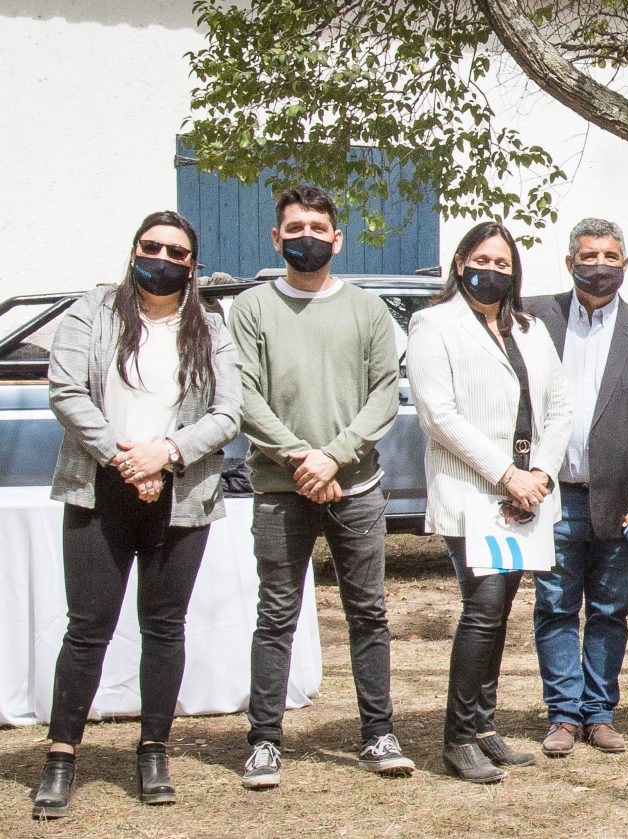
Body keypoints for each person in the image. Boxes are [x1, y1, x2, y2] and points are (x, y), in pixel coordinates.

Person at [34, 211, 242, 820]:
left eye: (176, 252)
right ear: (133, 252)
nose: (162, 258)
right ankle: (61, 756)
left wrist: (166, 454)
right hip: (99, 489)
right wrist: (127, 459)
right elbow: (65, 391)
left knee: (165, 626)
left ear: (192, 265)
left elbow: (228, 412)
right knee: (87, 628)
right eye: (152, 247)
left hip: (180, 493)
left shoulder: (211, 326)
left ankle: (154, 750)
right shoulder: (91, 312)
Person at [231, 185, 410, 789]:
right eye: (294, 228)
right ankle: (263, 741)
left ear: (337, 239)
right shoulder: (251, 308)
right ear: (276, 238)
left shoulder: (368, 310)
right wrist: (301, 458)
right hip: (280, 488)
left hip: (357, 487)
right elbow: (244, 395)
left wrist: (333, 458)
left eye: (317, 228)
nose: (305, 237)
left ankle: (378, 733)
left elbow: (384, 394)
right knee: (276, 615)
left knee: (369, 613)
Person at [407, 221, 570, 783]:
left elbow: (559, 409)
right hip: (472, 490)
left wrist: (540, 472)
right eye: (482, 260)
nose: (492, 271)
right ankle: (457, 738)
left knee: (498, 612)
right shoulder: (434, 324)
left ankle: (482, 726)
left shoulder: (530, 328)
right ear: (460, 264)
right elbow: (438, 415)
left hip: (527, 494)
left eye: (503, 263)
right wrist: (507, 475)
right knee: (483, 607)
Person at [524, 218, 628, 758]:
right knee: (555, 607)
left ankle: (600, 713)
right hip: (551, 496)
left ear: (625, 265)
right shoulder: (533, 318)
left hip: (618, 501)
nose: (599, 266)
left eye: (609, 257)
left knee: (610, 610)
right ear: (570, 262)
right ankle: (563, 713)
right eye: (588, 256)